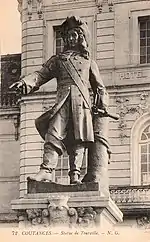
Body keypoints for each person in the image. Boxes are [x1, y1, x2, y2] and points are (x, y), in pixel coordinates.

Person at [10, 16, 108, 184]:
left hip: (82, 105)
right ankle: (46, 170)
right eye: (68, 35)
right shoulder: (57, 61)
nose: (71, 39)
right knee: (53, 134)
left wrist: (102, 103)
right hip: (62, 102)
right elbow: (40, 75)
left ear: (81, 37)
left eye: (74, 35)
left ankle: (75, 175)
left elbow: (99, 87)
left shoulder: (89, 62)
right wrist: (24, 82)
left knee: (80, 139)